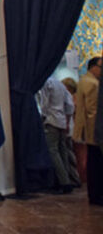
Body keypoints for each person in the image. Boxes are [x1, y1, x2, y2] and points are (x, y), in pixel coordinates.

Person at [73, 56, 102, 205]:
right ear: (93, 67)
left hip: (88, 130)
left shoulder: (84, 80)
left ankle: (94, 194)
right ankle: (97, 195)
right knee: (96, 163)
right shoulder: (93, 84)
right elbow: (93, 110)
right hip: (95, 131)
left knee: (92, 162)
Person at [37, 76, 74, 193]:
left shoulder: (46, 83)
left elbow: (44, 104)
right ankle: (67, 179)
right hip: (62, 121)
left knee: (53, 152)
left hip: (51, 121)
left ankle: (63, 182)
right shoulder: (60, 84)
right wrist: (67, 121)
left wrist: (44, 117)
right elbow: (70, 105)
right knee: (63, 151)